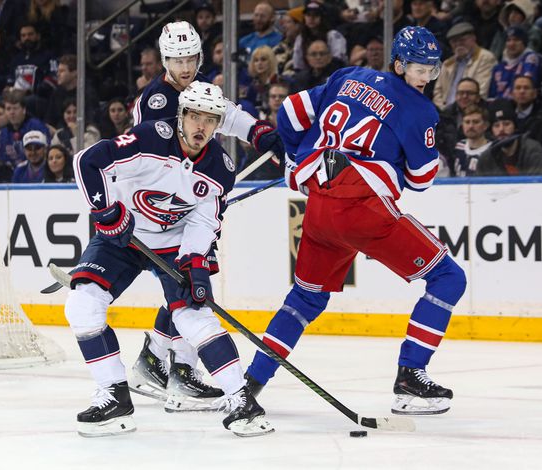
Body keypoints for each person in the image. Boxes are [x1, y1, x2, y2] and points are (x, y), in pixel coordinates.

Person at [245, 26, 467, 416]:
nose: (425, 79)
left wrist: (297, 158)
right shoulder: (420, 110)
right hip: (363, 206)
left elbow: (291, 112)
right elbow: (422, 180)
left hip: (319, 205)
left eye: (432, 71)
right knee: (449, 278)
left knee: (306, 298)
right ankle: (411, 376)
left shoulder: (349, 76)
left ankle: (249, 384)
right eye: (419, 69)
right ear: (399, 65)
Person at [67, 81, 273, 437]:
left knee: (194, 316)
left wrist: (195, 262)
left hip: (173, 243)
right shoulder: (149, 138)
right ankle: (114, 395)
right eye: (194, 116)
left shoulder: (220, 169)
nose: (201, 127)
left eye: (211, 120)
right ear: (181, 115)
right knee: (82, 305)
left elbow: (204, 219)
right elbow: (87, 161)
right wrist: (106, 211)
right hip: (124, 231)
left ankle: (240, 400)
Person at [129, 21, 284, 410]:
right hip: (161, 209)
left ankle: (156, 361)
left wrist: (261, 132)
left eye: (191, 59)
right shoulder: (158, 101)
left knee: (188, 282)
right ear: (164, 60)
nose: (184, 66)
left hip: (183, 204)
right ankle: (176, 369)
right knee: (188, 286)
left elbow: (227, 114)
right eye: (176, 60)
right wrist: (202, 194)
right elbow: (163, 160)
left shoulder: (197, 91)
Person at [476, 99, 542, 175]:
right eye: (496, 125)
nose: (501, 129)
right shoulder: (487, 157)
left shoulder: (532, 150)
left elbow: (538, 183)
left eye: (506, 124)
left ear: (515, 127)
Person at [451, 104, 492, 176]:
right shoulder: (459, 146)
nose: (471, 126)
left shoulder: (492, 150)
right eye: (467, 122)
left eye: (476, 122)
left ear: (486, 125)